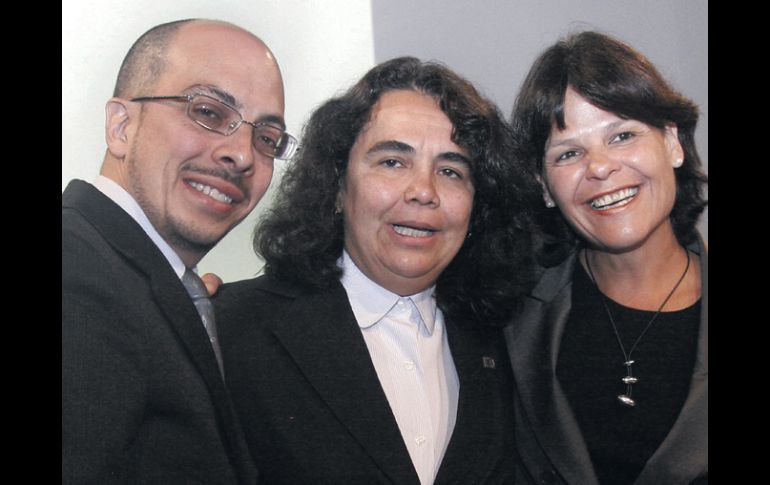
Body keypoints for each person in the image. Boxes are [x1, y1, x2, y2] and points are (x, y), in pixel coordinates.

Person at [214, 56, 536, 484]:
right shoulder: (228, 329)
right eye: (392, 162)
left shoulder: (510, 340)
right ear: (337, 187)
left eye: (450, 170)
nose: (423, 191)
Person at [62, 19, 298, 484]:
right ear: (121, 126)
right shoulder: (76, 273)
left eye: (266, 139)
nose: (243, 154)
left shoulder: (150, 285)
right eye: (208, 112)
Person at [504, 30, 708, 485]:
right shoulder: (509, 312)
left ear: (672, 142)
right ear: (543, 186)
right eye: (569, 153)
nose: (599, 167)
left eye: (622, 136)